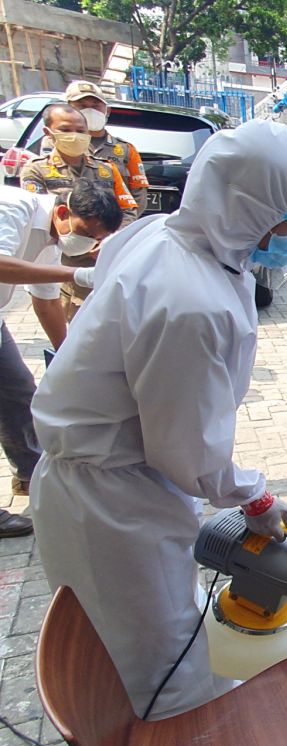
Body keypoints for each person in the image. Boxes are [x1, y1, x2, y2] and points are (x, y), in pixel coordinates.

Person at [30, 119, 287, 719]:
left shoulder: (169, 236)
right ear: (246, 207)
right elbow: (185, 448)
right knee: (158, 673)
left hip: (122, 486)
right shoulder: (189, 301)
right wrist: (256, 500)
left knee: (154, 634)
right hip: (113, 509)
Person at [0, 182, 122, 537]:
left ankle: (34, 480)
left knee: (20, 393)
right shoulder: (14, 207)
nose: (86, 246)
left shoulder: (51, 241)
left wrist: (70, 359)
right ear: (64, 212)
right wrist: (74, 273)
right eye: (87, 234)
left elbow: (47, 302)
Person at [20, 104, 138, 321]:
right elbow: (38, 217)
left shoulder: (106, 169)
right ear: (49, 132)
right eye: (65, 130)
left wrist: (110, 238)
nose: (74, 136)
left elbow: (128, 209)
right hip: (61, 264)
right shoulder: (36, 170)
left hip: (105, 260)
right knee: (73, 323)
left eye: (81, 131)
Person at [66, 80, 150, 215]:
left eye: (95, 106)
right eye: (81, 106)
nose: (90, 111)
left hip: (115, 227)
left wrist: (118, 227)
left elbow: (139, 196)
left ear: (107, 110)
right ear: (68, 109)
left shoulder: (126, 150)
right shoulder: (56, 143)